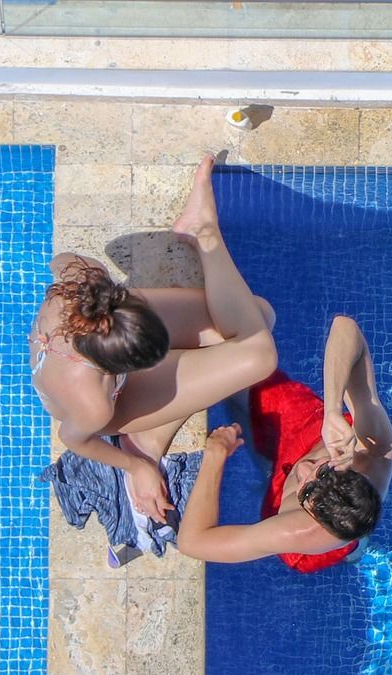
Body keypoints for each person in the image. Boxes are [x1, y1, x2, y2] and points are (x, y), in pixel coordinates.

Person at [29, 153, 276, 522]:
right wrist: (133, 467)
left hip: (102, 330)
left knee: (260, 315)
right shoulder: (94, 403)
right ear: (117, 367)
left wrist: (90, 286)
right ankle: (143, 444)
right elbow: (73, 437)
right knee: (259, 354)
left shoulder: (83, 288)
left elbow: (61, 260)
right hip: (122, 396)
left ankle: (201, 230)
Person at [177, 314, 392, 569]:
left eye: (307, 491)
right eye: (324, 472)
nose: (302, 469)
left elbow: (192, 542)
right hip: (307, 425)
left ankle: (352, 544)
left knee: (269, 474)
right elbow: (345, 327)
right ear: (351, 467)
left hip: (303, 524)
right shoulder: (374, 447)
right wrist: (332, 410)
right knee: (236, 366)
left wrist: (215, 454)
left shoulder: (295, 532)